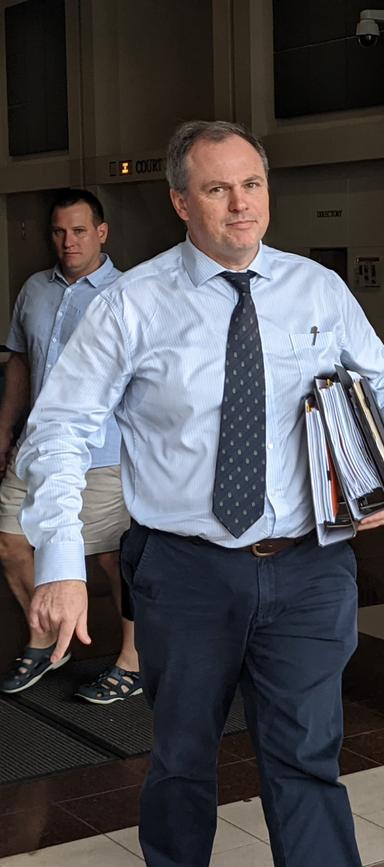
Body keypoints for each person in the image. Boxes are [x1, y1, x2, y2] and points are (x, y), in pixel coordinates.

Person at [16, 121, 384, 867]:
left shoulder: (318, 288)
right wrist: (57, 559)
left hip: (309, 568)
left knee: (308, 759)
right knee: (182, 760)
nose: (241, 205)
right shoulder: (132, 305)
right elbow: (59, 431)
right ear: (182, 202)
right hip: (186, 571)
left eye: (252, 185)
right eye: (218, 189)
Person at [0, 188, 140, 704]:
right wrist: (4, 428)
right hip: (36, 445)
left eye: (79, 231)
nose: (68, 241)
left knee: (110, 559)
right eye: (59, 231)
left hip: (102, 451)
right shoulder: (35, 289)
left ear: (101, 233)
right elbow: (19, 361)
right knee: (9, 541)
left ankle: (132, 658)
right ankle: (43, 641)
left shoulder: (129, 292)